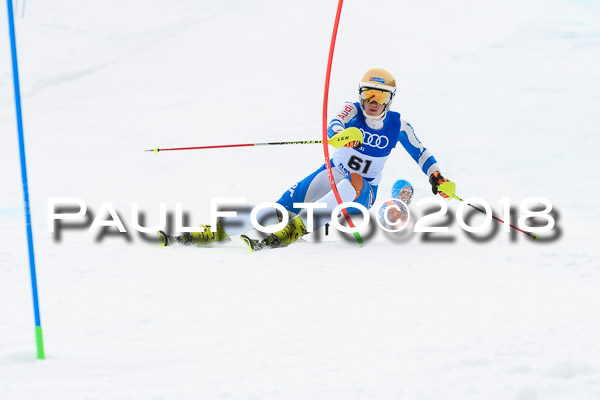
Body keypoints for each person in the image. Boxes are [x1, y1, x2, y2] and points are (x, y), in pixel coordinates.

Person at [159, 67, 452, 250]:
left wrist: (437, 177)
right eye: (368, 95)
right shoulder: (352, 111)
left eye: (381, 97)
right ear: (360, 95)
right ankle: (218, 230)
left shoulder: (398, 125)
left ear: (391, 100)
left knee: (356, 178)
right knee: (279, 208)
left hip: (363, 193)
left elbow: (421, 153)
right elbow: (334, 124)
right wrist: (341, 135)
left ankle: (296, 229)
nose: (373, 103)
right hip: (332, 173)